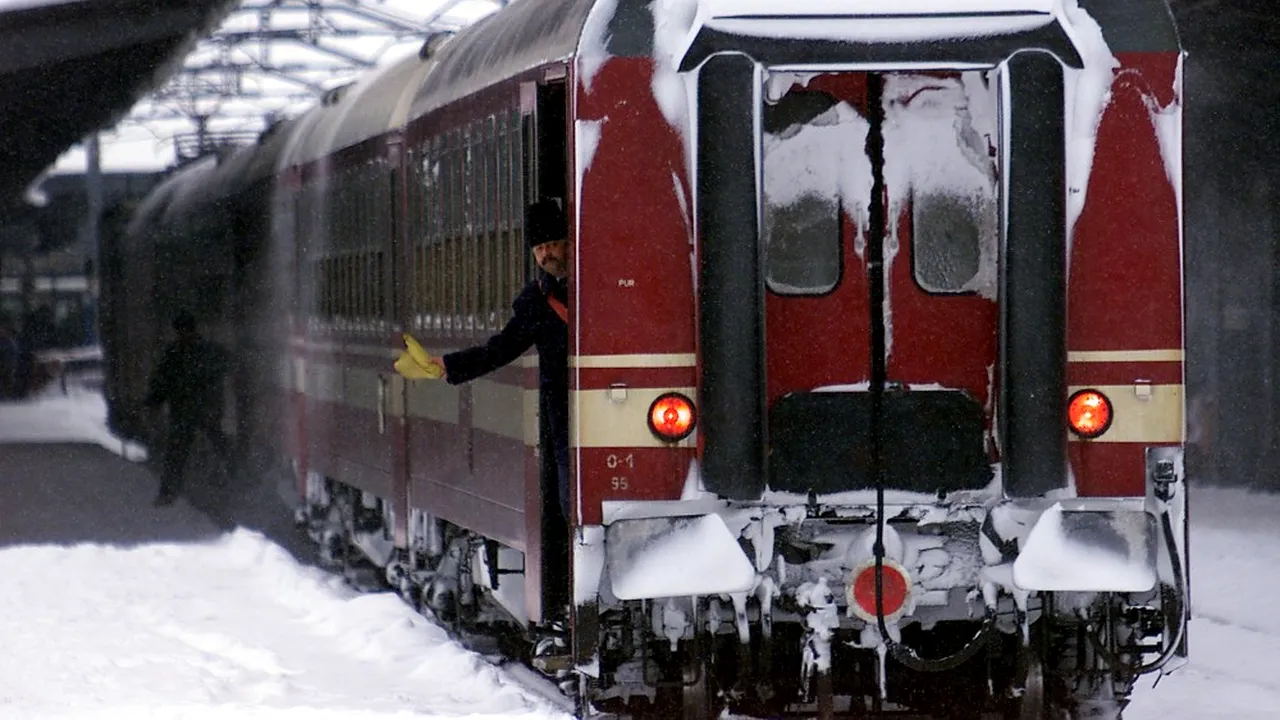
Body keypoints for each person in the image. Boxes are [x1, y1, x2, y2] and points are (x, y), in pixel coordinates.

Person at [396, 198, 571, 518]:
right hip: (565, 419)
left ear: (569, 243)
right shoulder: (536, 301)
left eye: (552, 244)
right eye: (539, 249)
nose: (546, 255)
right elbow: (500, 349)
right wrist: (447, 365)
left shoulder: (597, 286)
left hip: (593, 411)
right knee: (568, 498)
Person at [145, 310, 232, 506]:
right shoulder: (202, 351)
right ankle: (169, 492)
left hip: (193, 410)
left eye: (183, 331)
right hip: (194, 410)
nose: (181, 335)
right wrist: (154, 401)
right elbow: (162, 380)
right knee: (183, 450)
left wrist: (154, 401)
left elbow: (161, 380)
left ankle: (169, 492)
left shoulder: (183, 353)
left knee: (181, 451)